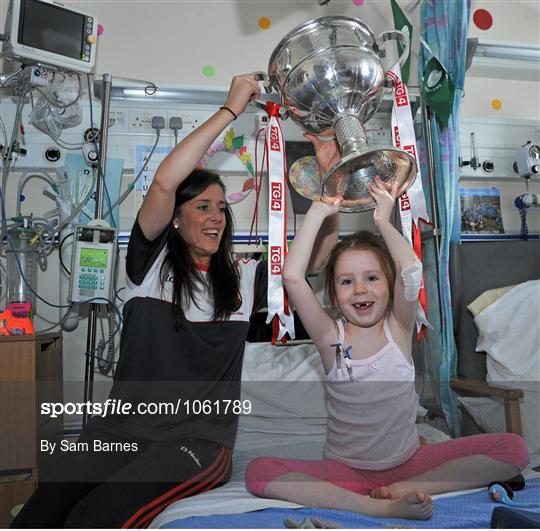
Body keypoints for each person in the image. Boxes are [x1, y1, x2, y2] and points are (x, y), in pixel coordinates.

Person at [11, 74, 340, 528]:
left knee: (95, 518)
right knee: (40, 513)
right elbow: (165, 181)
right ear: (178, 220)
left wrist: (333, 186)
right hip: (117, 431)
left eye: (222, 208)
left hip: (195, 441)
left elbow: (318, 258)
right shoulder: (149, 264)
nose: (216, 217)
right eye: (202, 206)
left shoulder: (244, 280)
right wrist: (229, 110)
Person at [245, 176, 529, 520]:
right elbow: (292, 276)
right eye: (347, 282)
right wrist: (319, 211)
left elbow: (410, 270)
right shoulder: (329, 337)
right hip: (346, 471)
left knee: (514, 449)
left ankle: (403, 490)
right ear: (334, 296)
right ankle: (375, 505)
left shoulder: (398, 328)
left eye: (372, 278)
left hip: (409, 464)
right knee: (257, 471)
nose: (360, 289)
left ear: (389, 286)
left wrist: (383, 218)